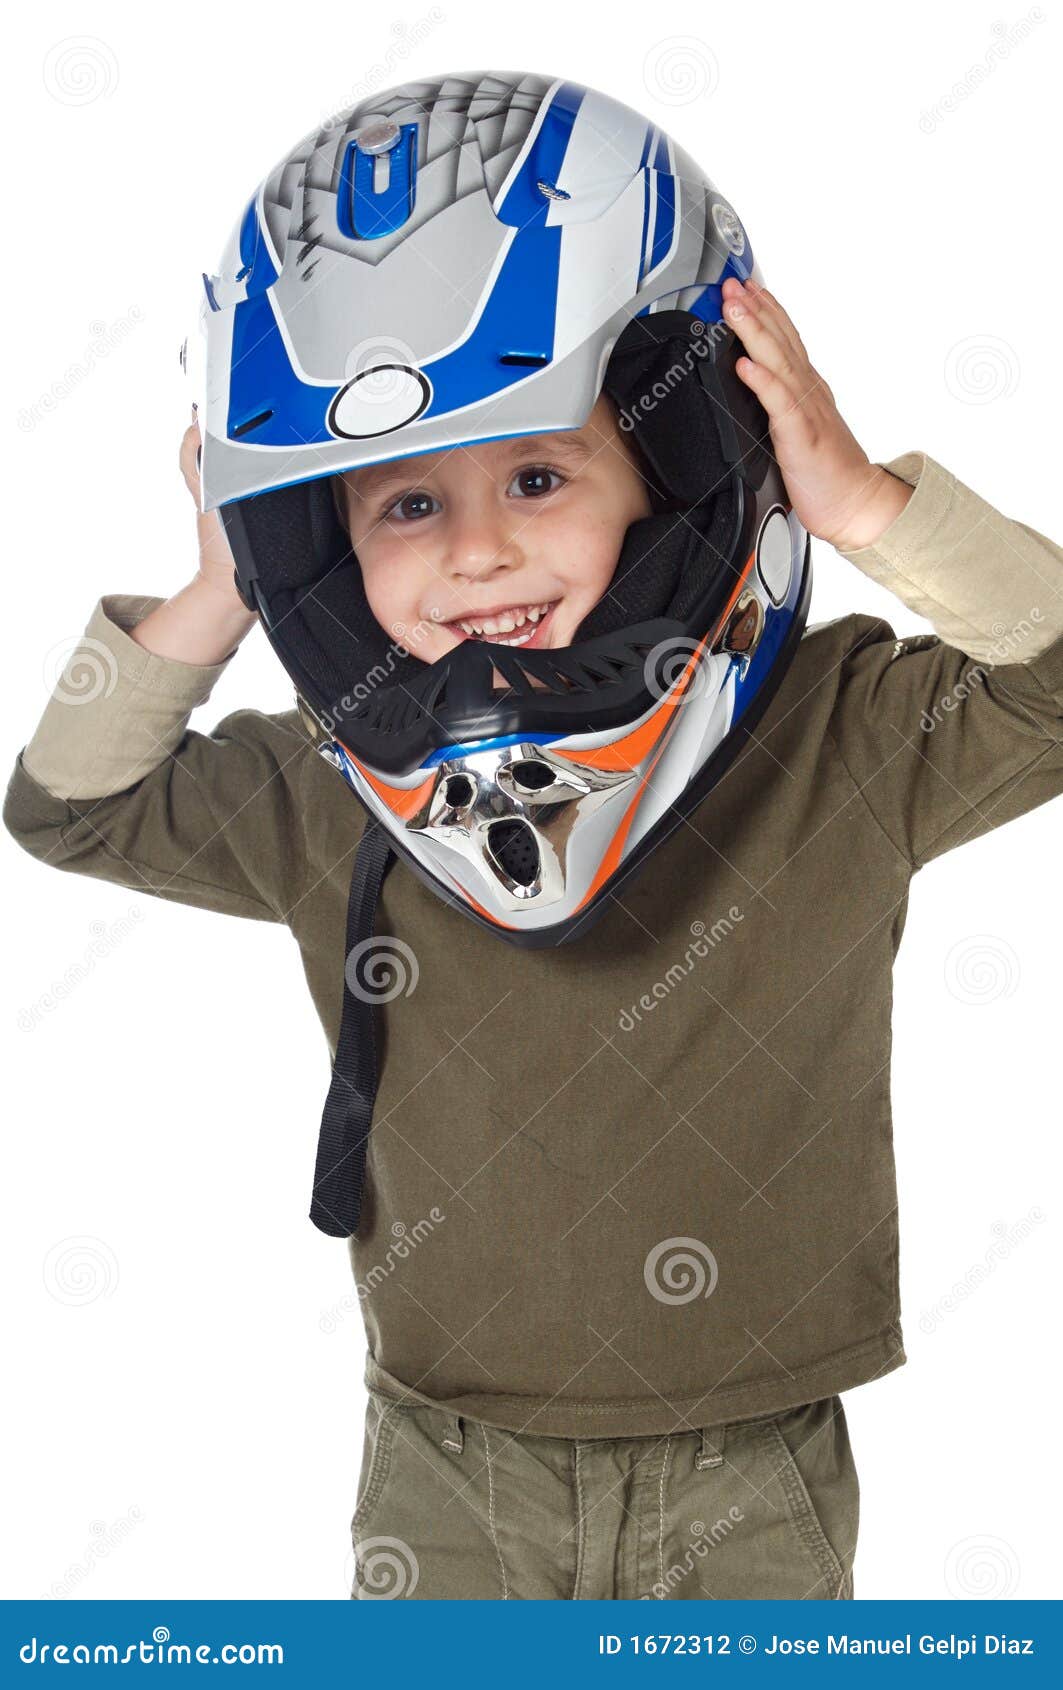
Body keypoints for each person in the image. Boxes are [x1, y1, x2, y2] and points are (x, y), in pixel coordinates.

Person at [6, 72, 1062, 1601]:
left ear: (688, 462)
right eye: (403, 506)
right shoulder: (329, 783)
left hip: (749, 1463)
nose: (481, 549)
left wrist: (862, 498)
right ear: (318, 540)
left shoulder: (835, 740)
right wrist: (222, 581)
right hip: (444, 1455)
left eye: (540, 474)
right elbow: (66, 804)